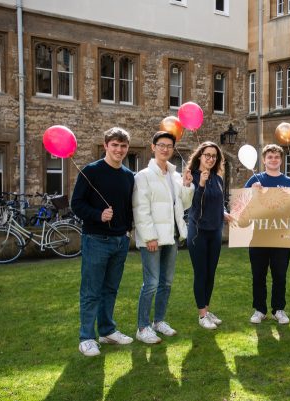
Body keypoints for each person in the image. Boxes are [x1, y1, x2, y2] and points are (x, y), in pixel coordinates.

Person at [71, 127, 136, 357]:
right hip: (96, 239)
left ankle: (107, 331)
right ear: (106, 145)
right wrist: (98, 215)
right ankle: (86, 338)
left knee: (110, 289)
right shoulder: (91, 171)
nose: (119, 149)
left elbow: (129, 207)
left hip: (120, 242)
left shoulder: (129, 176)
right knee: (91, 291)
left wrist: (127, 230)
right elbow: (76, 204)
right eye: (115, 145)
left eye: (123, 146)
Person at [132, 131, 194, 344]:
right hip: (153, 239)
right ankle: (142, 327)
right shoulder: (143, 176)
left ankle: (159, 321)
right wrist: (149, 236)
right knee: (151, 283)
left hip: (172, 237)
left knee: (166, 283)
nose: (165, 149)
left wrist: (187, 185)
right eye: (161, 145)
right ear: (153, 147)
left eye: (169, 145)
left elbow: (183, 206)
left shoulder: (175, 176)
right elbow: (141, 209)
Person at [244, 144, 290, 325]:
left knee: (279, 275)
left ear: (281, 160)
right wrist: (253, 193)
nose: (273, 160)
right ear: (264, 160)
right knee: (258, 275)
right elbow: (242, 206)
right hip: (259, 236)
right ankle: (259, 309)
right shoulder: (254, 180)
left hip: (281, 237)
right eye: (270, 157)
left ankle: (278, 309)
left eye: (276, 157)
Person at [186, 141, 230, 330]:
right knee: (201, 273)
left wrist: (224, 213)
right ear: (200, 156)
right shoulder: (191, 177)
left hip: (215, 230)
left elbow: (218, 203)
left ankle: (207, 309)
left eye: (214, 156)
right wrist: (201, 184)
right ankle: (202, 315)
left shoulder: (218, 179)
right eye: (207, 155)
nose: (211, 159)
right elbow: (192, 204)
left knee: (211, 273)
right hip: (198, 232)